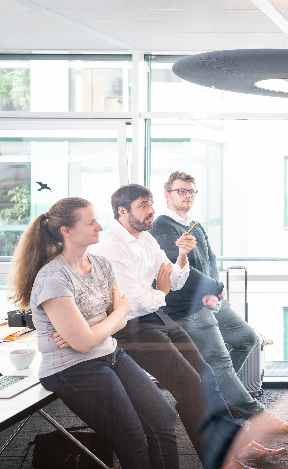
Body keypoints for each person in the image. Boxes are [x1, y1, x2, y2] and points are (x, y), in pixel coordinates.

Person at [8, 197, 179, 469]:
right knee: (132, 437)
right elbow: (87, 340)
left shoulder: (101, 264)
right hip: (71, 368)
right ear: (67, 231)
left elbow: (122, 314)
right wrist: (108, 319)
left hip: (109, 354)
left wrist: (94, 328)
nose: (100, 226)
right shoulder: (54, 278)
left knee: (163, 420)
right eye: (91, 222)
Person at [91, 184, 250, 469]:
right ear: (122, 211)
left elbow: (173, 279)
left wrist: (182, 257)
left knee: (207, 378)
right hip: (128, 326)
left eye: (151, 203)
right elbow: (133, 301)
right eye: (143, 205)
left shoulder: (147, 240)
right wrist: (162, 291)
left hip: (155, 316)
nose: (151, 210)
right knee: (191, 386)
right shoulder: (110, 246)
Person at [150, 171, 288, 435]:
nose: (186, 196)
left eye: (191, 191)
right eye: (180, 191)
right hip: (189, 307)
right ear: (167, 194)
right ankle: (254, 414)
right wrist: (215, 287)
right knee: (218, 360)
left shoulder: (194, 224)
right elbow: (178, 270)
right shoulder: (162, 226)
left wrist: (218, 291)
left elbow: (210, 259)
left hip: (212, 300)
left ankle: (217, 394)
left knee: (247, 338)